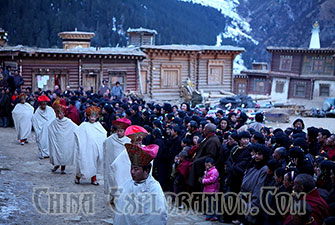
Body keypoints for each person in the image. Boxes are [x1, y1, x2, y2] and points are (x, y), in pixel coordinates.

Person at [114, 142, 168, 225]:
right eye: (131, 168)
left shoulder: (154, 188)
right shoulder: (127, 184)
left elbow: (158, 216)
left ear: (146, 170)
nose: (132, 172)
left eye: (136, 169)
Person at [74, 106, 107, 185]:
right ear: (88, 117)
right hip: (86, 148)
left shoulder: (98, 125)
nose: (92, 118)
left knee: (94, 163)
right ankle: (77, 177)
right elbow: (77, 133)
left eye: (94, 116)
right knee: (83, 162)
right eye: (91, 116)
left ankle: (93, 179)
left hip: (95, 149)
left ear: (97, 117)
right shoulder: (84, 125)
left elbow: (103, 134)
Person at [103, 117, 131, 203]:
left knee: (122, 179)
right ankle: (112, 195)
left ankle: (121, 197)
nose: (119, 133)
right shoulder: (110, 139)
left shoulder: (128, 140)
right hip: (112, 163)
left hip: (123, 165)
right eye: (118, 131)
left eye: (121, 131)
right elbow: (105, 146)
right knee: (112, 179)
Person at [188, 123, 222, 191]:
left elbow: (211, 155)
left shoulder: (213, 140)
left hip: (205, 166)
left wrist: (197, 161)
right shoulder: (208, 138)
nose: (203, 130)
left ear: (208, 131)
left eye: (204, 129)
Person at [48, 100, 78, 174]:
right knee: (57, 153)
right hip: (57, 140)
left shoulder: (68, 121)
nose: (59, 115)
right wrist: (53, 136)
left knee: (65, 153)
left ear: (64, 114)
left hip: (66, 140)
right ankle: (56, 165)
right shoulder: (55, 121)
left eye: (61, 113)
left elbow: (76, 128)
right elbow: (50, 128)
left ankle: (63, 168)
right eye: (58, 113)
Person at [202, 157, 220, 221]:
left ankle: (214, 216)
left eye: (208, 164)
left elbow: (212, 180)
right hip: (208, 190)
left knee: (214, 204)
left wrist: (203, 180)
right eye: (206, 165)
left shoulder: (214, 171)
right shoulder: (207, 171)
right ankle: (209, 215)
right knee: (209, 204)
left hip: (213, 190)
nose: (207, 166)